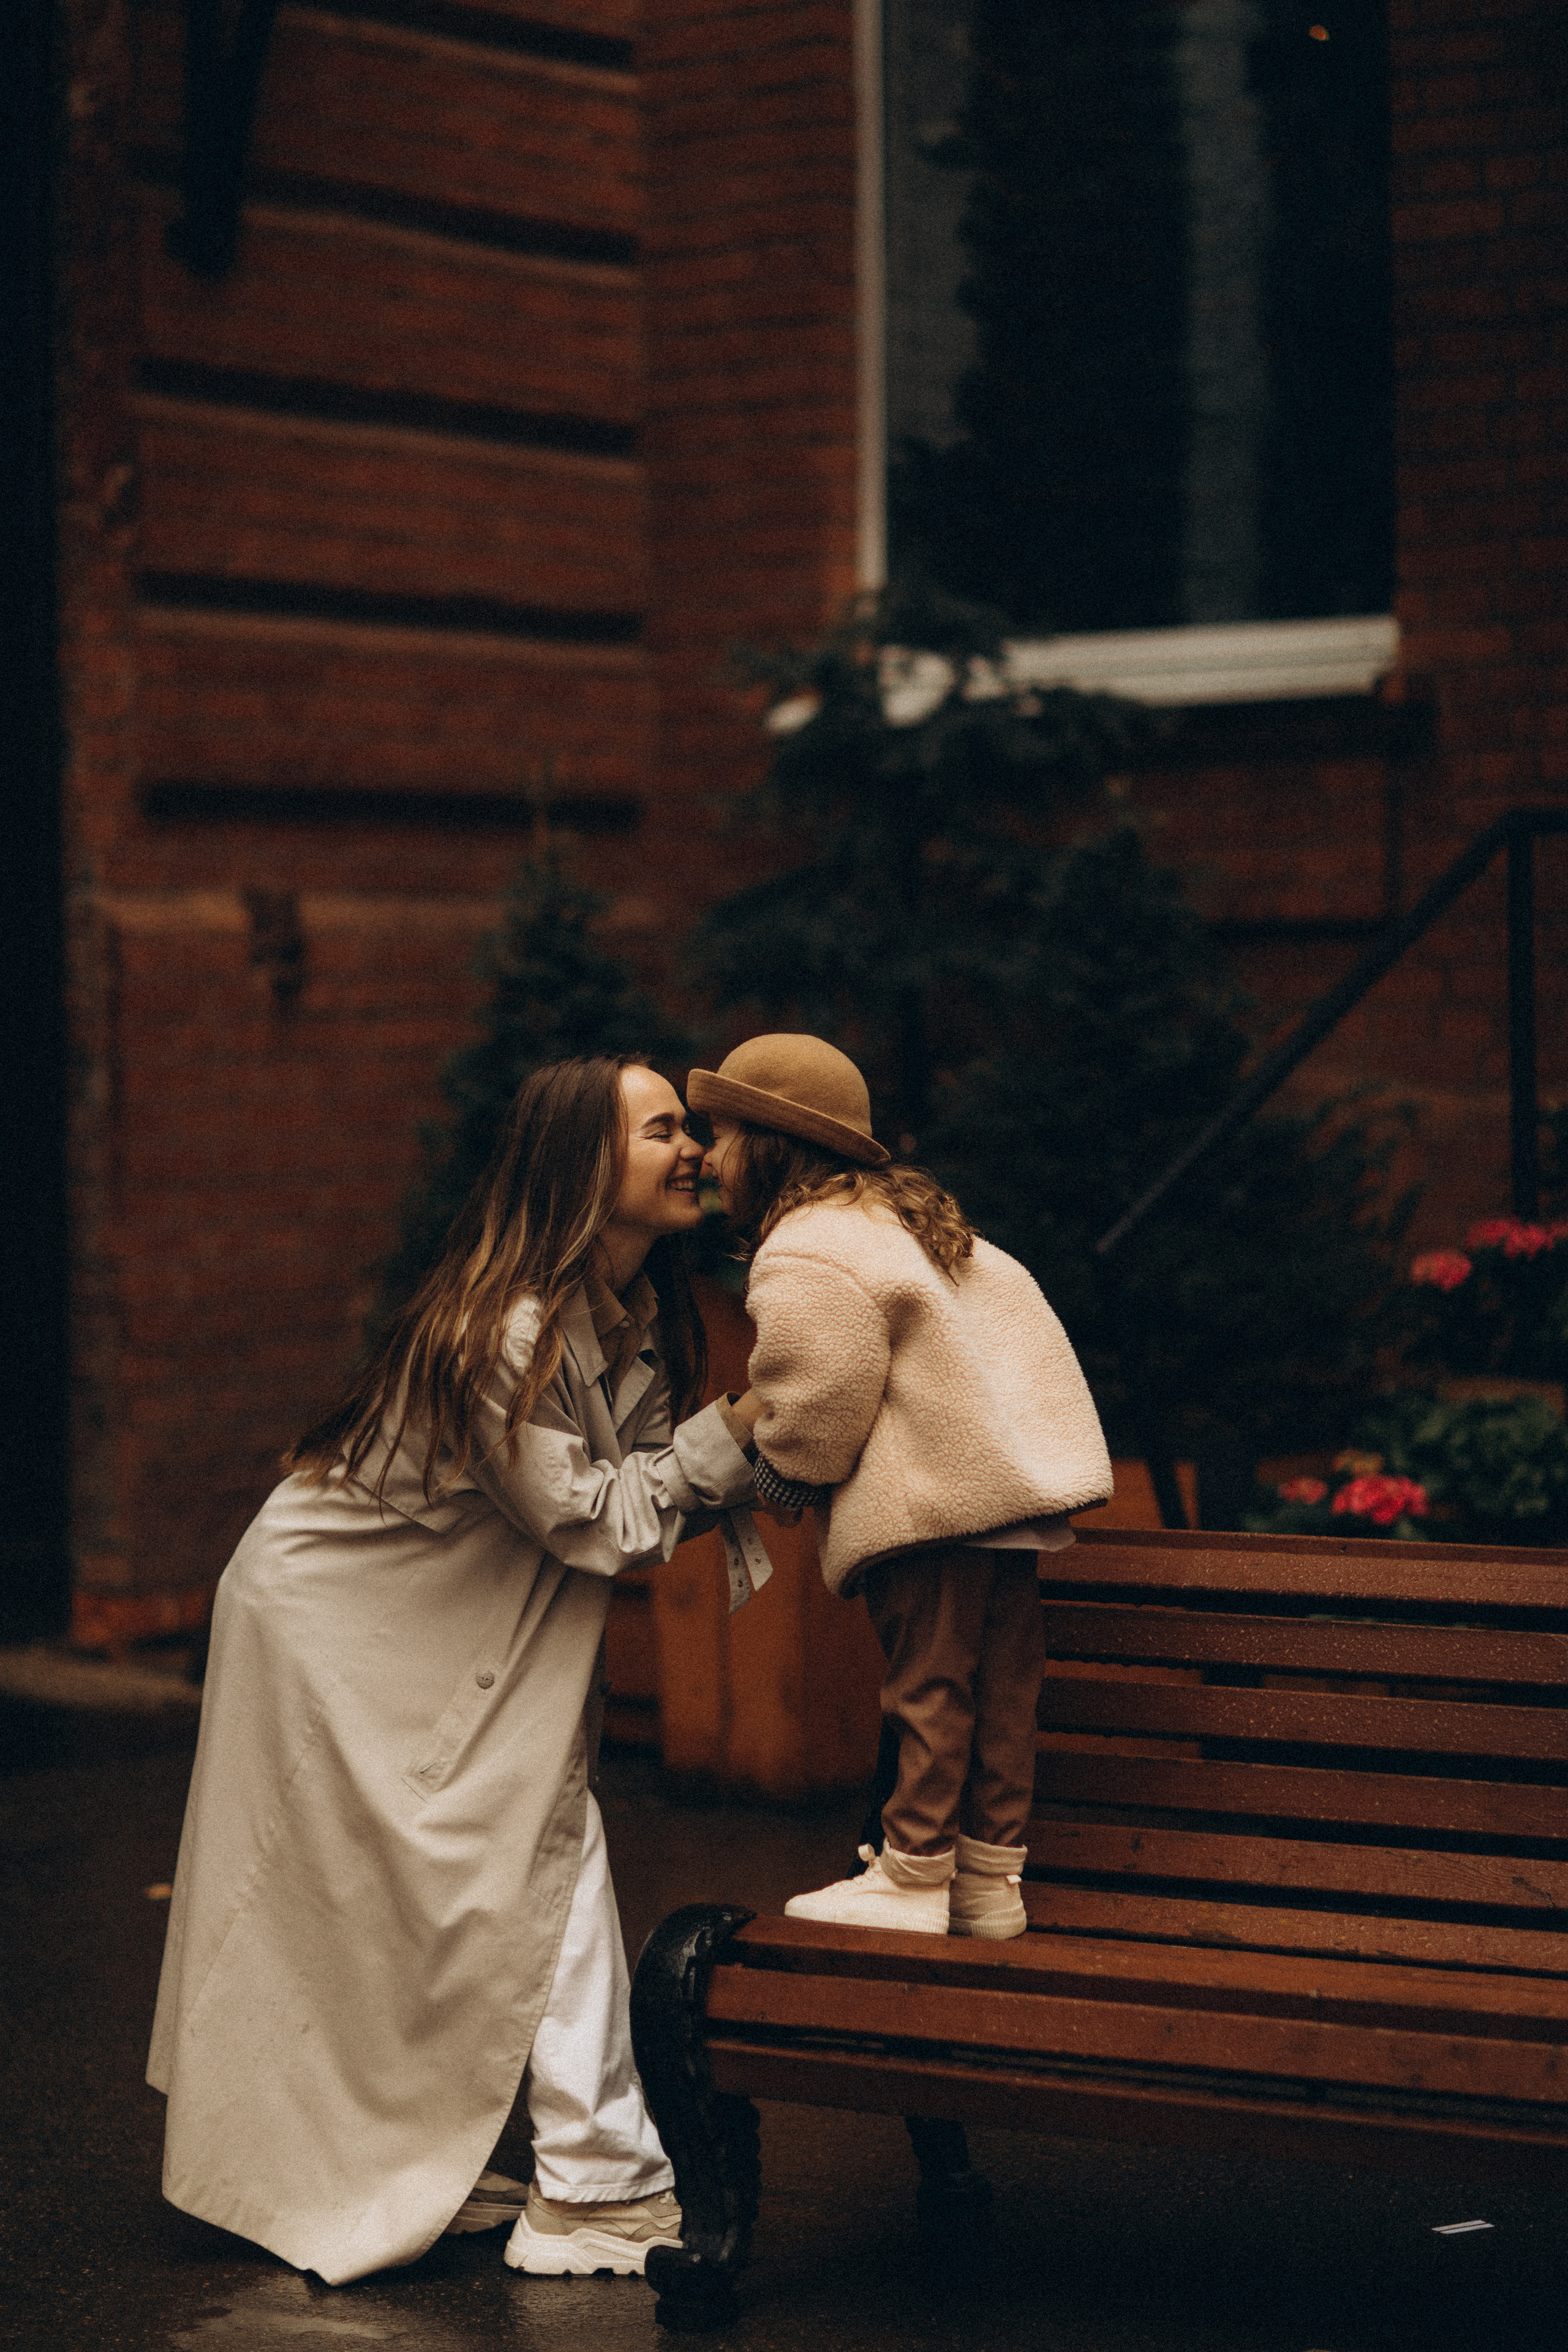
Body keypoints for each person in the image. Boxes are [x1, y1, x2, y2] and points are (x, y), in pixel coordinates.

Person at [148, 1057, 763, 2284]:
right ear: (586, 1164)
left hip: (447, 1616)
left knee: (491, 1859)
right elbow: (593, 1518)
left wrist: (755, 1453)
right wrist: (738, 1438)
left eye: (689, 1132)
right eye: (660, 1132)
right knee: (447, 1865)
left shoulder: (634, 1313)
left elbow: (646, 1500)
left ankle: (541, 2166)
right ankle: (589, 2179)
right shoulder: (510, 1327)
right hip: (336, 1623)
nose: (690, 1148)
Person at [690, 1034, 1112, 1940]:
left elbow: (819, 1392)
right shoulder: (908, 1223)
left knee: (927, 1689)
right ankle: (991, 1881)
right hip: (1009, 1506)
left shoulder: (806, 1247)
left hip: (929, 1508)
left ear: (770, 1144)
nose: (709, 1157)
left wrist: (782, 1476)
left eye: (721, 1134)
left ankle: (914, 1873)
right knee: (1002, 1691)